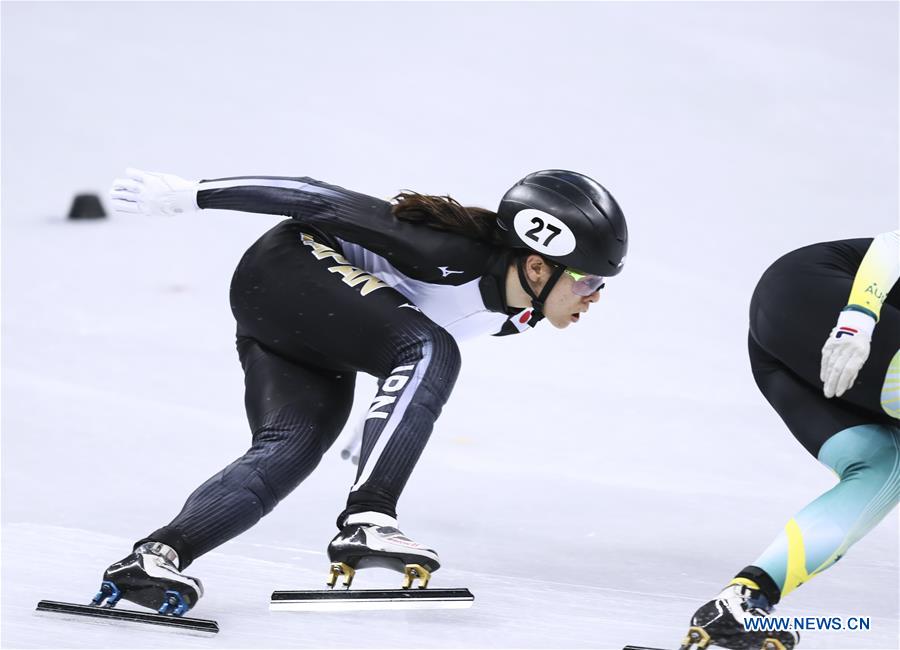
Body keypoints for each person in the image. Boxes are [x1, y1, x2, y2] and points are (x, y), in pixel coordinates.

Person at [95, 168, 628, 615]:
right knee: (433, 348)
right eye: (587, 282)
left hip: (308, 336)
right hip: (286, 268)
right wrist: (190, 195)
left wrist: (387, 428)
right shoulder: (448, 250)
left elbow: (391, 343)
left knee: (290, 450)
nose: (595, 298)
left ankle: (156, 556)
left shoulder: (519, 317)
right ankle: (369, 519)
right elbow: (312, 196)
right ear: (537, 265)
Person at [682, 231, 900, 650]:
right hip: (817, 297)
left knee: (883, 465)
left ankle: (742, 603)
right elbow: (892, 245)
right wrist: (857, 318)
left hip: (781, 353)